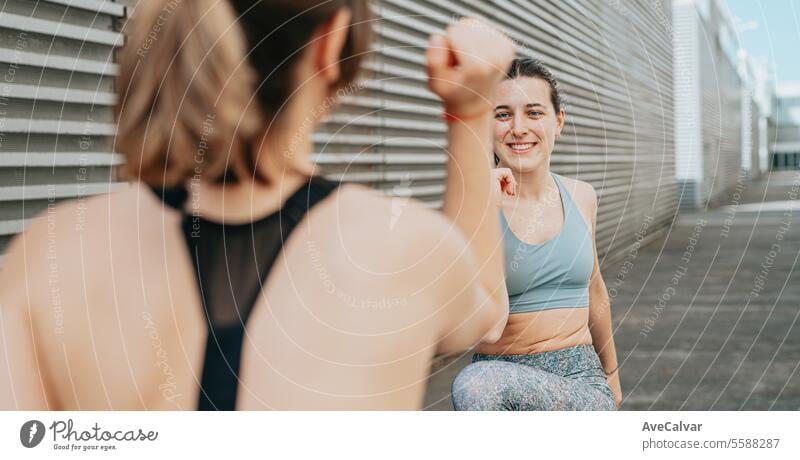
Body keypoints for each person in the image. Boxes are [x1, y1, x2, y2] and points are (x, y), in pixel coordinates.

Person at [0, 0, 515, 410]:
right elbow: (486, 312)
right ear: (331, 42)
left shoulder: (47, 256)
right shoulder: (400, 249)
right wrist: (468, 109)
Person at [451, 58, 622, 410]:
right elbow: (488, 331)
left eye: (533, 113)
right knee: (476, 384)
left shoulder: (581, 196)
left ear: (558, 121)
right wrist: (485, 213)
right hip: (495, 381)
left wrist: (613, 379)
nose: (518, 128)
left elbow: (595, 290)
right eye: (502, 115)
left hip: (579, 379)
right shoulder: (472, 207)